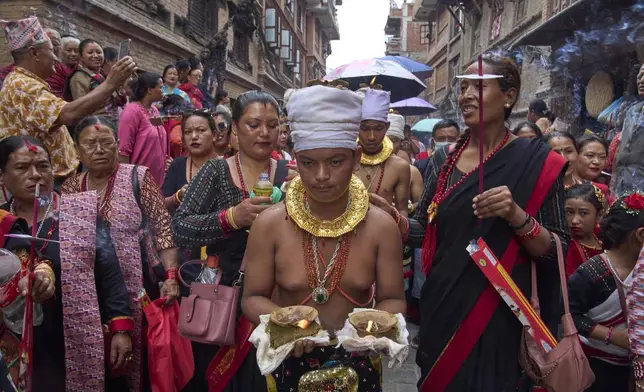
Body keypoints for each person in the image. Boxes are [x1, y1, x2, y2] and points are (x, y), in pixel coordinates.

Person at [371, 52, 569, 391]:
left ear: (509, 96)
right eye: (462, 88)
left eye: (478, 87)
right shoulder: (441, 160)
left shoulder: (538, 162)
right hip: (444, 308)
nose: (465, 96)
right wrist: (393, 219)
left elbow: (557, 250)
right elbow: (424, 232)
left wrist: (516, 216)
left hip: (503, 316)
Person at [242, 83, 405, 392]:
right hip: (290, 358)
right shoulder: (269, 224)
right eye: (308, 162)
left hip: (360, 363)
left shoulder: (382, 227)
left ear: (356, 158)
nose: (320, 175)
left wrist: (371, 330)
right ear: (295, 159)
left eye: (335, 161)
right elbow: (251, 297)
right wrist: (294, 326)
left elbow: (393, 298)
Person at [172, 91, 291, 392]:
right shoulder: (216, 171)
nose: (264, 133)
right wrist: (231, 218)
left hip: (278, 296)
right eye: (253, 125)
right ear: (235, 129)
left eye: (272, 124)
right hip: (224, 299)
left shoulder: (291, 175)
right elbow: (181, 227)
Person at [0, 135, 134, 391]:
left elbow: (109, 269)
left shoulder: (79, 212)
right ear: (1, 176)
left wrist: (121, 327)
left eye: (43, 166)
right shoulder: (2, 222)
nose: (36, 175)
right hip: (14, 340)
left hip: (73, 338)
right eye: (22, 168)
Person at [61, 115, 179, 391]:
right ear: (77, 151)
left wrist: (171, 275)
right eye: (90, 144)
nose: (99, 150)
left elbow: (162, 226)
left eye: (106, 142)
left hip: (138, 285)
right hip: (88, 289)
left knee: (140, 360)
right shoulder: (69, 188)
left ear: (117, 144)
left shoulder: (138, 176)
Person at [0, 17, 136, 183]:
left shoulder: (27, 82)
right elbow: (68, 114)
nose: (56, 59)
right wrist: (110, 84)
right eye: (51, 51)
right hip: (43, 182)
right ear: (34, 53)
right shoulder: (22, 84)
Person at [569, 193, 643, 392]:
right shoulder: (592, 274)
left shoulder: (641, 269)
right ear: (640, 235)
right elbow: (568, 316)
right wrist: (611, 335)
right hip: (596, 369)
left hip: (633, 369)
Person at [357, 88, 410, 216]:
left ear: (387, 127)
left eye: (378, 128)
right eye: (364, 128)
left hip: (386, 232)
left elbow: (402, 210)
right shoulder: (343, 162)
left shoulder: (400, 166)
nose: (371, 136)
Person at [162, 111, 219, 214]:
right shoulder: (177, 166)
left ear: (214, 135)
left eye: (201, 130)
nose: (194, 136)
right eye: (188, 132)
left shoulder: (227, 166)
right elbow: (160, 205)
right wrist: (178, 197)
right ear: (183, 140)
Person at [117, 72, 169, 185]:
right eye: (160, 88)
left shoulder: (154, 110)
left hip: (156, 178)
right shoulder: (132, 111)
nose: (163, 91)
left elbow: (159, 134)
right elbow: (123, 150)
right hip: (137, 179)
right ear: (150, 90)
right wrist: (126, 182)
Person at [613, 63, 644, 197]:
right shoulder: (632, 111)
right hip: (623, 182)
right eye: (640, 76)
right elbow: (621, 147)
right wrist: (613, 179)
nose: (641, 81)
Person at [564, 183, 604, 278]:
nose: (574, 221)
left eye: (583, 213)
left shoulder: (604, 238)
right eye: (569, 212)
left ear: (599, 216)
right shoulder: (565, 245)